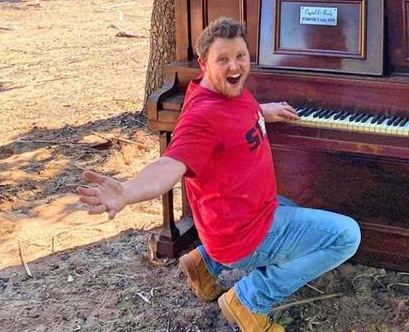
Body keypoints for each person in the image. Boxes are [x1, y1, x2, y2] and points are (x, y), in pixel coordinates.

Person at [77, 17, 361, 332]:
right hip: (240, 234)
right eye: (222, 59)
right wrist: (129, 192)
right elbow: (170, 164)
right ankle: (250, 300)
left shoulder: (220, 89)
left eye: (240, 56)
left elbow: (235, 117)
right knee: (346, 236)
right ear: (204, 63)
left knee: (290, 206)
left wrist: (261, 111)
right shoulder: (202, 118)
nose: (234, 66)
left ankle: (203, 264)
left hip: (232, 219)